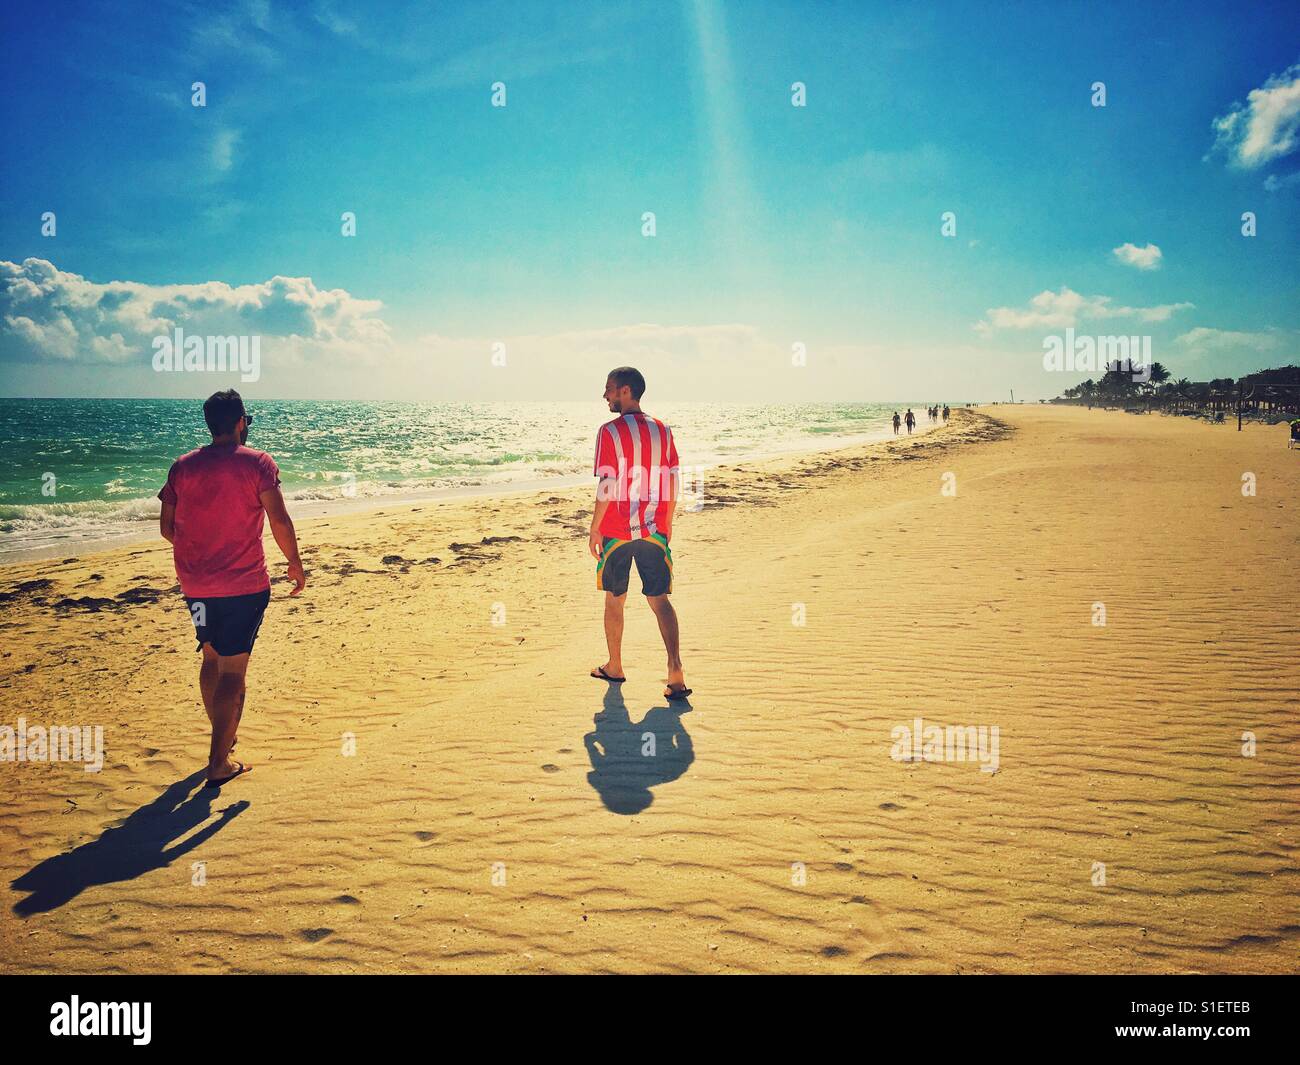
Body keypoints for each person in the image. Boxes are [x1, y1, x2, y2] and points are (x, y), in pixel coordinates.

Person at [158, 390, 306, 787]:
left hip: (196, 584)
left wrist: (201, 554)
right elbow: (279, 520)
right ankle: (218, 762)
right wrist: (294, 562)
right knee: (233, 671)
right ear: (241, 421)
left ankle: (223, 737)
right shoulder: (258, 463)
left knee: (211, 659)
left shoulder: (182, 467)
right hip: (242, 584)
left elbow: (167, 528)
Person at [588, 367, 690, 700]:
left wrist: (594, 529)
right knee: (659, 600)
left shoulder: (609, 432)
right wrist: (669, 521)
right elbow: (673, 479)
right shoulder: (664, 430)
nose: (605, 395)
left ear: (626, 391)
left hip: (617, 531)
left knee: (615, 599)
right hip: (654, 530)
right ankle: (676, 673)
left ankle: (615, 666)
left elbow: (607, 483)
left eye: (609, 389)